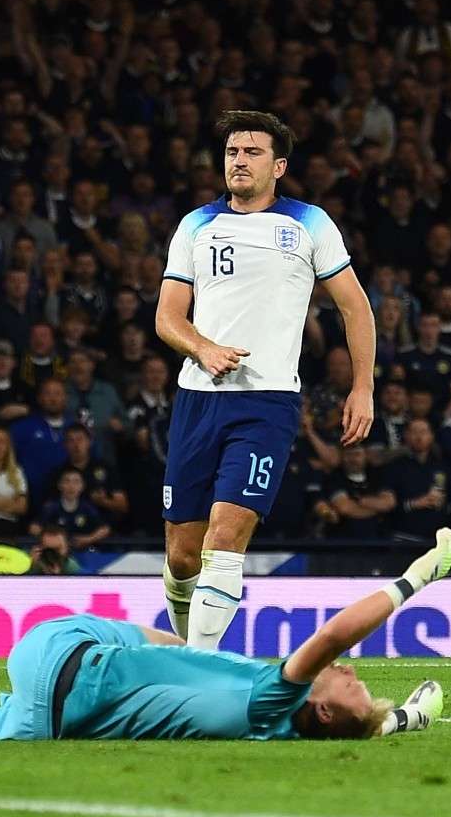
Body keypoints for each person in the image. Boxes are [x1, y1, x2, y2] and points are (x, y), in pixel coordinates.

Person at [155, 111, 375, 649]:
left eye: (252, 153)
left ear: (278, 166)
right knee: (182, 554)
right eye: (232, 152)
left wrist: (363, 386)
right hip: (197, 400)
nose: (239, 161)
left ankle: (198, 671)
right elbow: (167, 317)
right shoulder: (196, 225)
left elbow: (356, 309)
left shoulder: (309, 223)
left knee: (225, 537)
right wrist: (203, 348)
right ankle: (191, 651)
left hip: (267, 403)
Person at [0, 529, 451, 741]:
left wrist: (415, 579)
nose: (348, 669)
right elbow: (341, 731)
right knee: (181, 657)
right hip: (57, 697)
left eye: (351, 684)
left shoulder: (275, 697)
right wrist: (402, 717)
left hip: (55, 656)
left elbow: (332, 636)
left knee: (168, 651)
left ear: (322, 709)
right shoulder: (277, 731)